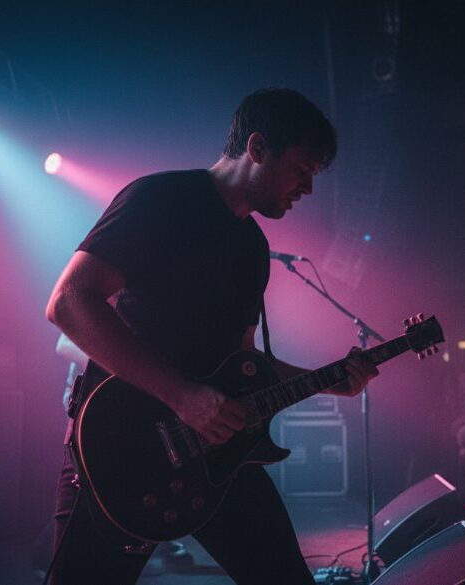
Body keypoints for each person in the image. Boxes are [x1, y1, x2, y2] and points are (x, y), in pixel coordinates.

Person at [44, 88, 378, 585]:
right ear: (258, 147)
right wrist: (181, 396)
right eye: (302, 168)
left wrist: (331, 380)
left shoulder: (252, 246)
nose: (307, 187)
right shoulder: (159, 199)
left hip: (217, 453)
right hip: (123, 442)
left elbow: (243, 363)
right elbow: (69, 303)